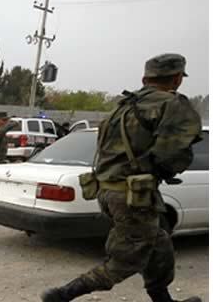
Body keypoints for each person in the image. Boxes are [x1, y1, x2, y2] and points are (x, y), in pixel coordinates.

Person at [41, 53, 202, 302]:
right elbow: (174, 153)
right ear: (178, 79)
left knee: (160, 247)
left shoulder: (123, 105)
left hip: (108, 191)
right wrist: (165, 169)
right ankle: (62, 295)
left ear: (144, 78)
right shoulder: (172, 104)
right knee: (126, 259)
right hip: (132, 197)